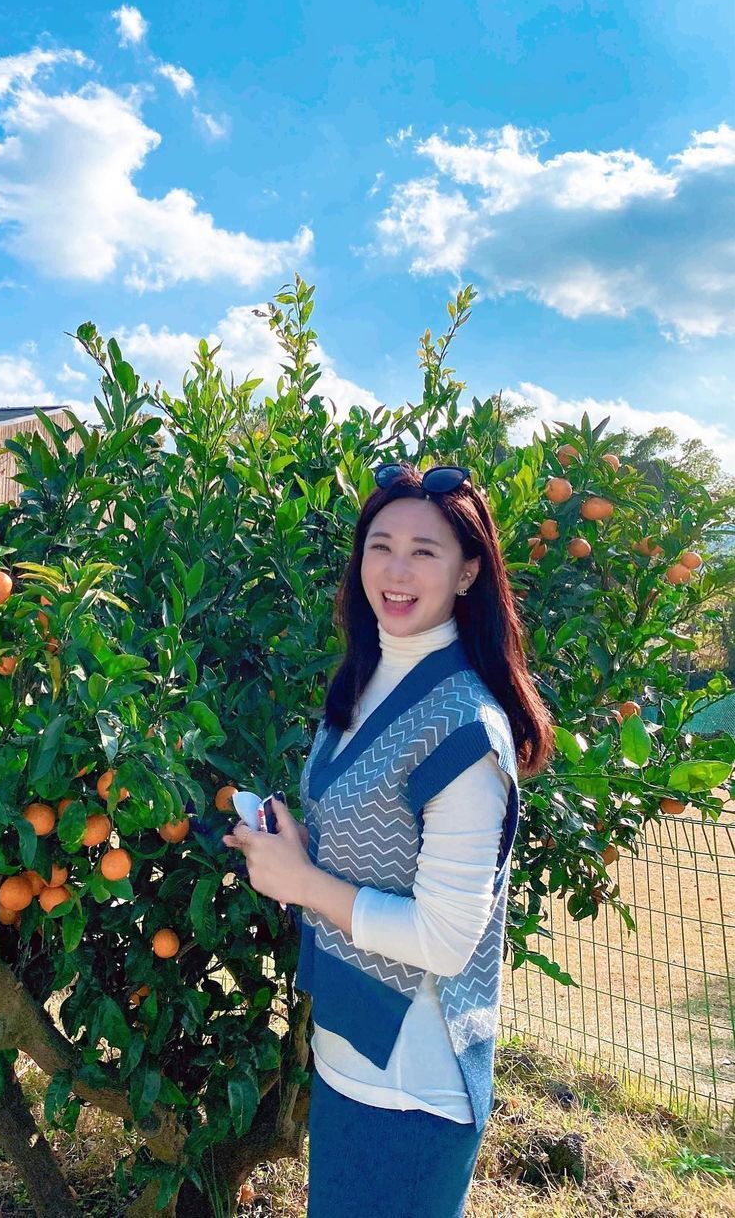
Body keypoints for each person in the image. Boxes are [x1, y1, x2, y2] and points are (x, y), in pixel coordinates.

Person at [223, 462, 553, 1218]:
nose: (396, 572)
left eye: (424, 552)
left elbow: (446, 939)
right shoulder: (369, 678)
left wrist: (303, 882)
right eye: (381, 546)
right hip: (349, 1048)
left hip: (412, 1084)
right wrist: (298, 845)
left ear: (468, 573)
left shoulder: (464, 728)